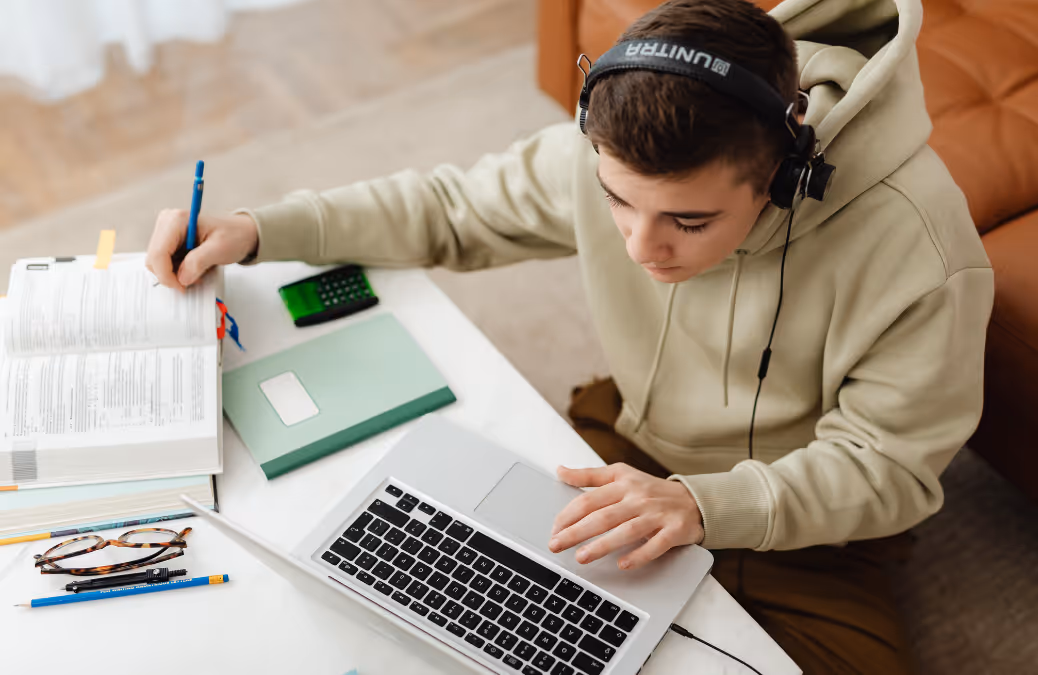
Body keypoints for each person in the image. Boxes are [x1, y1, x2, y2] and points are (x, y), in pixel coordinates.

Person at [146, 0, 993, 672]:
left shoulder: (920, 249)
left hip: (814, 528)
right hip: (628, 444)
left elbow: (888, 467)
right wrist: (262, 228)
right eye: (618, 201)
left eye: (688, 221)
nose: (639, 245)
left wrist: (708, 505)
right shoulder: (615, 150)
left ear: (783, 176)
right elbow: (452, 207)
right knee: (441, 612)